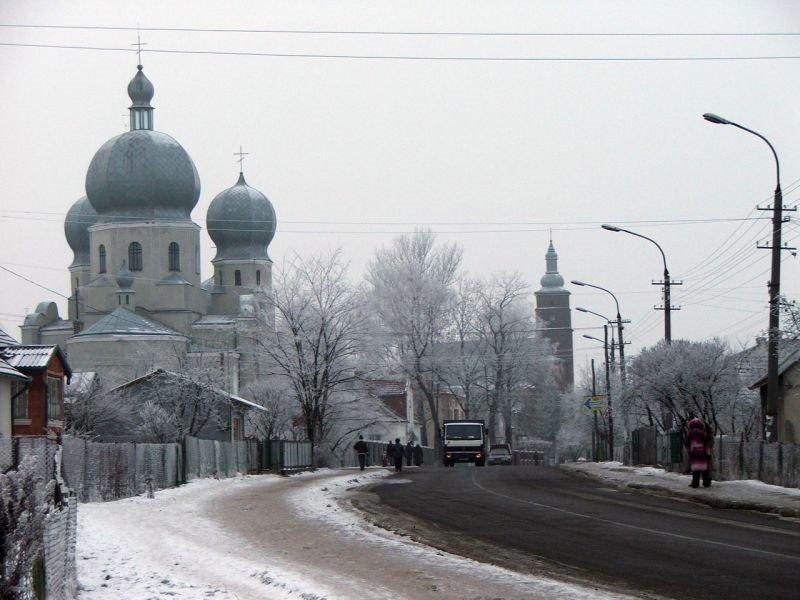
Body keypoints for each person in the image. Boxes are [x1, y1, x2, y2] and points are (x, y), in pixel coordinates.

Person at [684, 414, 714, 488]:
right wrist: (707, 451)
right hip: (702, 451)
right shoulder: (702, 432)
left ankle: (695, 483)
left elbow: (687, 442)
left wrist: (689, 450)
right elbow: (706, 442)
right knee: (704, 468)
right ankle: (706, 483)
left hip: (694, 452)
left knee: (695, 469)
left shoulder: (690, 433)